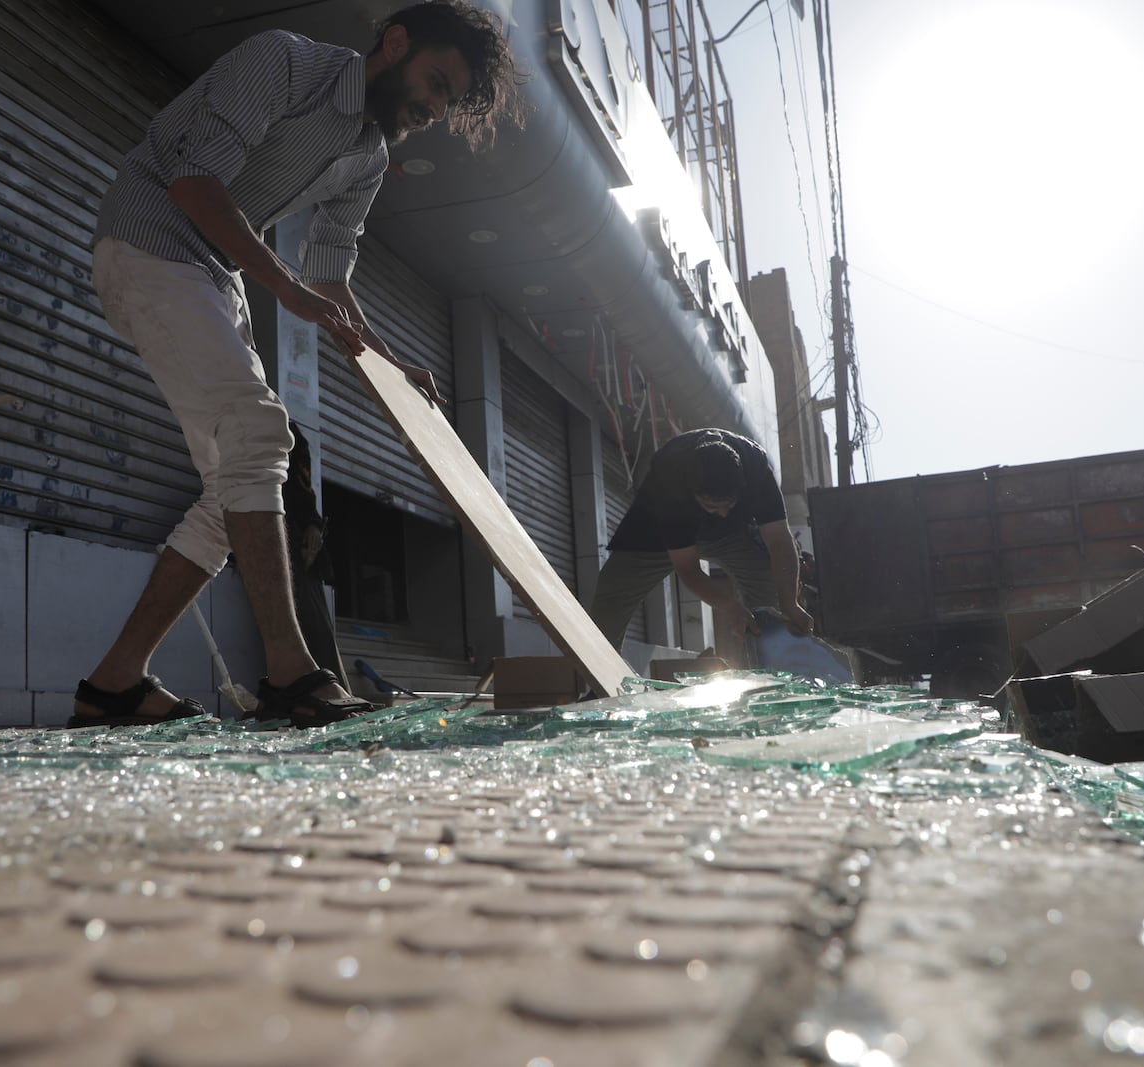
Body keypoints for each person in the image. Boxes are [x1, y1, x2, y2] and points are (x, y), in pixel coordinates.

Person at [69, 2, 521, 728]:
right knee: (259, 432)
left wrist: (394, 362)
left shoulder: (370, 156)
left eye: (448, 99)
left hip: (213, 272)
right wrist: (282, 286)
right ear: (395, 43)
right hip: (148, 239)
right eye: (436, 81)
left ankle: (114, 682)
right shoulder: (282, 62)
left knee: (234, 489)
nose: (435, 106)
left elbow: (331, 277)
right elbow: (193, 184)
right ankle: (291, 670)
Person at [589, 428, 815, 664]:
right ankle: (599, 678)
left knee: (774, 588)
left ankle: (777, 672)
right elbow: (688, 568)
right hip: (654, 535)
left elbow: (779, 540)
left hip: (732, 536)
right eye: (714, 507)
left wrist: (790, 602)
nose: (723, 513)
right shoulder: (670, 482)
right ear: (694, 493)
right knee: (611, 597)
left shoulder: (756, 469)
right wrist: (730, 606)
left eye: (729, 504)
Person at [282, 423, 351, 694]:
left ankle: (329, 693)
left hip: (298, 552)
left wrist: (312, 526)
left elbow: (304, 494)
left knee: (316, 631)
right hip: (268, 543)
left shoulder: (288, 433)